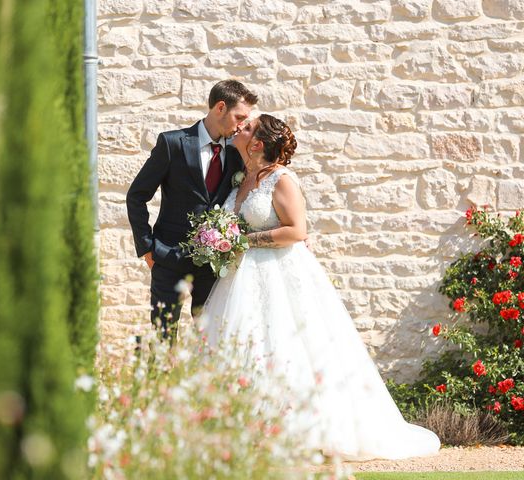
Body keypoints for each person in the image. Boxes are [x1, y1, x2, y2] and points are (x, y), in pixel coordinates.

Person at [198, 114, 441, 461]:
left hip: (278, 273)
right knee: (246, 345)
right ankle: (243, 429)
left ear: (257, 144)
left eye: (248, 127)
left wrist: (242, 240)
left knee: (286, 347)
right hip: (240, 277)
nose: (241, 128)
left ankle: (297, 431)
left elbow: (296, 231)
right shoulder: (242, 179)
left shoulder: (280, 179)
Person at [126, 79, 258, 342]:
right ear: (221, 107)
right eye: (239, 117)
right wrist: (147, 248)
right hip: (167, 256)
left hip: (213, 264)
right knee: (163, 339)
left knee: (209, 338)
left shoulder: (235, 154)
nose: (242, 125)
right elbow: (137, 196)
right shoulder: (172, 143)